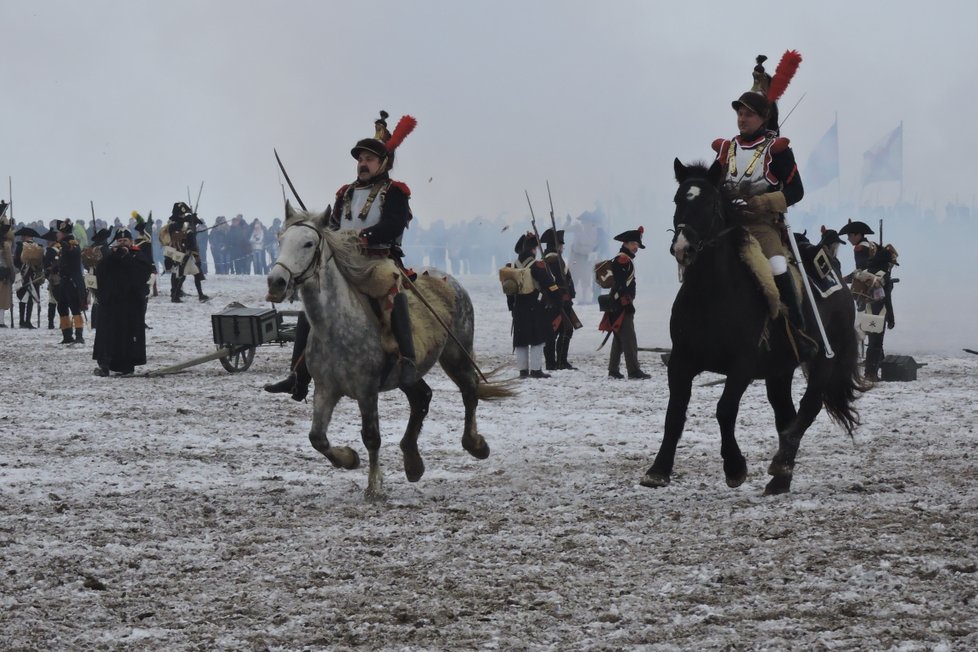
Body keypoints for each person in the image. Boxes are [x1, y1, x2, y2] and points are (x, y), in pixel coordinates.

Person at [265, 109, 419, 399]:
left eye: (369, 159)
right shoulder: (345, 193)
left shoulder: (395, 191)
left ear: (382, 162)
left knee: (390, 285)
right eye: (360, 159)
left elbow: (393, 224)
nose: (362, 164)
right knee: (312, 297)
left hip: (377, 259)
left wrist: (364, 236)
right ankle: (297, 375)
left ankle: (407, 359)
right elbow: (334, 225)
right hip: (345, 261)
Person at [712, 51, 816, 359]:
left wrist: (764, 202)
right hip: (727, 223)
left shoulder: (778, 150)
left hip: (762, 225)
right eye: (739, 113)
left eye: (748, 114)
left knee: (777, 265)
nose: (742, 119)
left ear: (764, 118)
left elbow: (796, 191)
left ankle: (797, 329)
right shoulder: (726, 148)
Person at [92, 229, 155, 376]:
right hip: (111, 304)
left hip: (129, 305)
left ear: (131, 242)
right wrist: (111, 257)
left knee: (127, 337)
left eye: (125, 241)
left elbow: (141, 274)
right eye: (119, 241)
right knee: (107, 335)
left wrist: (126, 257)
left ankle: (127, 366)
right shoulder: (110, 257)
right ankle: (105, 364)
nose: (122, 244)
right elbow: (100, 272)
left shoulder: (138, 256)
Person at [839, 219, 897, 380]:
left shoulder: (859, 248)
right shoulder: (872, 245)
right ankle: (876, 363)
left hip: (869, 292)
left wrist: (845, 278)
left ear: (858, 234)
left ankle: (871, 370)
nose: (849, 239)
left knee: (873, 333)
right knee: (875, 334)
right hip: (878, 290)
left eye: (850, 235)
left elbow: (862, 271)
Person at [507, 232, 562, 378]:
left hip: (518, 306)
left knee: (521, 341)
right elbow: (549, 284)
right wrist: (558, 300)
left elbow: (509, 290)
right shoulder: (536, 265)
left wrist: (512, 307)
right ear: (532, 249)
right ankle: (536, 370)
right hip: (535, 306)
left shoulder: (512, 266)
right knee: (537, 339)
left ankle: (523, 371)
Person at [599, 227, 650, 379]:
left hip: (618, 303)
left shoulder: (624, 259)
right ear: (626, 244)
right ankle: (633, 371)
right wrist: (627, 303)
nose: (636, 247)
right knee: (629, 339)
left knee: (619, 339)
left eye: (637, 244)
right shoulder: (622, 260)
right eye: (634, 243)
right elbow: (621, 284)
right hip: (621, 303)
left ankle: (613, 370)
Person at [540, 227, 577, 370]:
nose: (563, 247)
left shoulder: (553, 257)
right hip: (558, 300)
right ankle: (555, 362)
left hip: (560, 299)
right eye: (561, 245)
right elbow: (558, 281)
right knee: (561, 330)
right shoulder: (553, 259)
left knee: (560, 330)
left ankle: (558, 362)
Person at [50, 219, 86, 344]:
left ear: (63, 233)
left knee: (75, 308)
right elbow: (62, 261)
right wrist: (54, 268)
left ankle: (79, 336)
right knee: (62, 307)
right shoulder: (63, 244)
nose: (57, 235)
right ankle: (67, 336)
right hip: (64, 281)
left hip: (73, 281)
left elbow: (73, 253)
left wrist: (65, 247)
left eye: (59, 232)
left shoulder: (72, 243)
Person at [13, 226, 45, 328]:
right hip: (32, 275)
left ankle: (23, 321)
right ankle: (27, 321)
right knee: (29, 298)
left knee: (23, 298)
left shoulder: (20, 246)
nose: (22, 237)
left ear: (26, 236)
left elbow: (16, 261)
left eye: (23, 236)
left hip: (25, 275)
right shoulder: (38, 246)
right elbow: (41, 262)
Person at [0, 205, 13, 327]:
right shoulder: (5, 245)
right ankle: (1, 321)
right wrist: (12, 273)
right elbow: (9, 261)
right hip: (2, 272)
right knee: (2, 299)